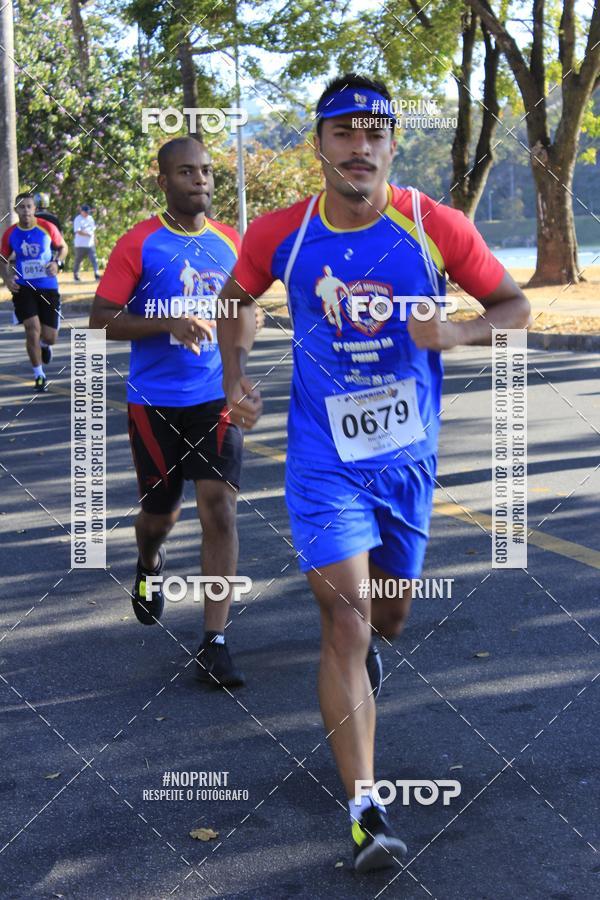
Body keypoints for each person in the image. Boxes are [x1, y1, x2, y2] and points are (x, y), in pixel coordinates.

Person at [217, 73, 531, 872]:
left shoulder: (434, 225)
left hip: (408, 463)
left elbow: (514, 310)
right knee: (346, 623)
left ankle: (371, 648)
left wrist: (456, 336)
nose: (360, 147)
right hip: (324, 463)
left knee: (387, 619)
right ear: (319, 143)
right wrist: (235, 379)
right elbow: (237, 299)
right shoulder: (282, 236)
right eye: (344, 132)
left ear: (392, 141)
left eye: (375, 132)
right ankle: (366, 810)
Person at [89, 136, 256, 688]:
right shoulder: (139, 243)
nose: (201, 181)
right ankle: (150, 563)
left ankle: (215, 639)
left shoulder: (231, 241)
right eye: (187, 173)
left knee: (220, 509)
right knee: (160, 516)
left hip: (214, 399)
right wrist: (168, 324)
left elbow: (243, 310)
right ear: (163, 181)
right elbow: (102, 319)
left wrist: (239, 372)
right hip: (153, 404)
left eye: (207, 171)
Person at [0, 192, 68, 392]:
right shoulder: (11, 233)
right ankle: (39, 375)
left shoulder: (47, 227)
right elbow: (3, 257)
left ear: (34, 209)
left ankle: (45, 346)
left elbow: (63, 247)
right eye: (22, 207)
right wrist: (6, 279)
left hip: (48, 286)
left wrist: (57, 263)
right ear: (16, 210)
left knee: (50, 336)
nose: (26, 210)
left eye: (29, 206)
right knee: (32, 329)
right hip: (23, 287)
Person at [73, 204, 100, 280]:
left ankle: (96, 273)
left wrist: (95, 238)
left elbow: (93, 230)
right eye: (86, 212)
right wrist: (87, 234)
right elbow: (78, 231)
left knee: (94, 259)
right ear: (82, 211)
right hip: (80, 244)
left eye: (88, 212)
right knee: (78, 260)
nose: (87, 213)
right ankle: (76, 275)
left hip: (90, 244)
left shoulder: (90, 218)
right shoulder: (78, 219)